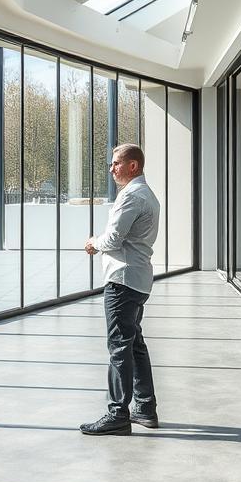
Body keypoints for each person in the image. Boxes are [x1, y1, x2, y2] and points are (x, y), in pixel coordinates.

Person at [79, 143, 160, 436]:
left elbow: (113, 239)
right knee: (134, 344)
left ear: (133, 166)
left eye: (115, 163)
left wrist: (92, 243)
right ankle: (145, 408)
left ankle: (117, 414)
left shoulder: (132, 197)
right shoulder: (146, 195)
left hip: (123, 282)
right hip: (137, 280)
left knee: (119, 347)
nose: (111, 168)